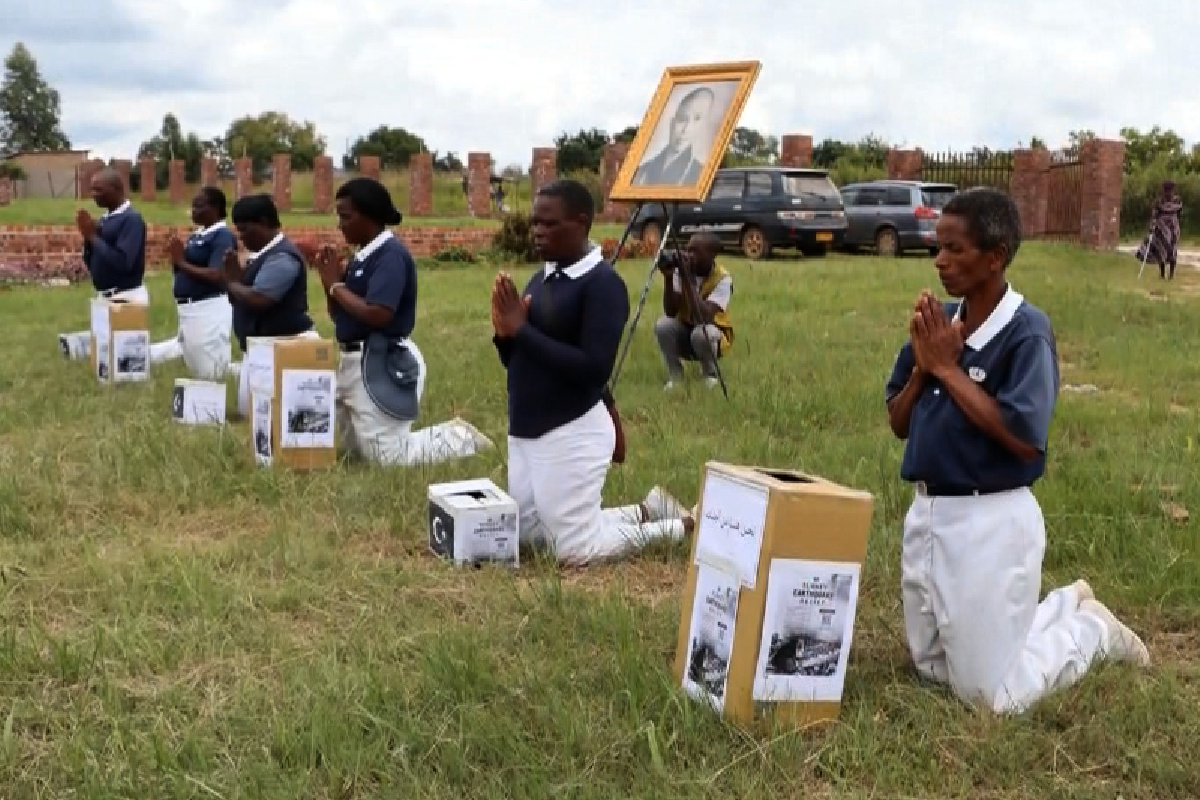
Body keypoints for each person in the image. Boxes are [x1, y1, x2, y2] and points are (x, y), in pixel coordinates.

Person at [884, 187, 1150, 715]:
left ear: (995, 256)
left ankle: (1091, 632)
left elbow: (1024, 435)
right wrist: (922, 366)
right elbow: (898, 422)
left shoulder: (1026, 331)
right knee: (933, 670)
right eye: (938, 247)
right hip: (928, 513)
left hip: (990, 520)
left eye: (955, 249)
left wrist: (946, 370)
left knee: (991, 695)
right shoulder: (941, 327)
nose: (940, 260)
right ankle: (1059, 605)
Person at [491, 178, 693, 565]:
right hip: (528, 428)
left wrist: (522, 331)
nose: (537, 232)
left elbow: (593, 370)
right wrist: (506, 337)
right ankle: (645, 510)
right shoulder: (544, 277)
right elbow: (520, 361)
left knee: (572, 550)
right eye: (535, 223)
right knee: (531, 538)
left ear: (581, 223)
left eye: (549, 224)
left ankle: (681, 526)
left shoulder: (602, 285)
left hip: (571, 427)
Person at [315, 177, 493, 464]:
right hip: (352, 360)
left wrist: (337, 286)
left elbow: (378, 314)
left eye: (345, 217)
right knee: (357, 454)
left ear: (369, 215)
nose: (339, 224)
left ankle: (458, 437)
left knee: (389, 458)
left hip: (381, 360)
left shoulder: (390, 256)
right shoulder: (362, 256)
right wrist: (330, 283)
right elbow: (340, 316)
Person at [224, 193, 317, 417]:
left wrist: (231, 281)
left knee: (270, 420)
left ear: (264, 223)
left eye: (245, 229)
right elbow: (237, 298)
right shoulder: (260, 256)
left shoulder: (282, 257)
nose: (241, 237)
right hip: (260, 349)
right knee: (249, 415)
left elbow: (260, 299)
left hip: (282, 347)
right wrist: (235, 284)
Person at [148, 186, 236, 379]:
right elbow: (182, 269)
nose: (193, 211)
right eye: (192, 206)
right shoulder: (197, 235)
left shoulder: (222, 236)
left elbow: (217, 274)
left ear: (215, 208)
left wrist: (181, 261)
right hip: (189, 308)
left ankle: (251, 373)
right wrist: (176, 259)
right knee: (194, 362)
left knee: (212, 372)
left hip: (209, 307)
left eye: (199, 206)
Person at [653, 231, 733, 390]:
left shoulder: (723, 279)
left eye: (695, 251)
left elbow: (702, 317)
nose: (690, 255)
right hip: (685, 330)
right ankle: (675, 377)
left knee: (702, 332)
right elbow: (670, 311)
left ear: (712, 255)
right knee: (662, 325)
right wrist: (669, 278)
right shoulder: (680, 271)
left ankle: (710, 375)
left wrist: (688, 279)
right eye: (688, 249)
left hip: (710, 336)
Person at [77, 167, 148, 303]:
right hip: (104, 297)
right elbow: (91, 260)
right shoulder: (105, 219)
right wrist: (88, 237)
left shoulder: (131, 219)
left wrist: (93, 237)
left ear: (117, 189)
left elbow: (123, 262)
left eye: (99, 190)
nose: (94, 194)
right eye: (92, 189)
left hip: (125, 298)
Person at [632, 86, 714, 186]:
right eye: (682, 119)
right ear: (672, 123)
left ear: (702, 127)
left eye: (696, 119)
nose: (686, 129)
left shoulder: (701, 174)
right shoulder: (642, 171)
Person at [1134, 180, 1183, 279]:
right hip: (1161, 229)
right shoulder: (1159, 201)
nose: (1169, 193)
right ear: (1164, 190)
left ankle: (1171, 275)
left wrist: (1176, 225)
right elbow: (1154, 215)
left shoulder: (1177, 200)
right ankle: (1162, 274)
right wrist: (1152, 226)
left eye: (1170, 190)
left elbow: (1179, 213)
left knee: (1173, 251)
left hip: (1173, 229)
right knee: (1161, 250)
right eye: (1166, 190)